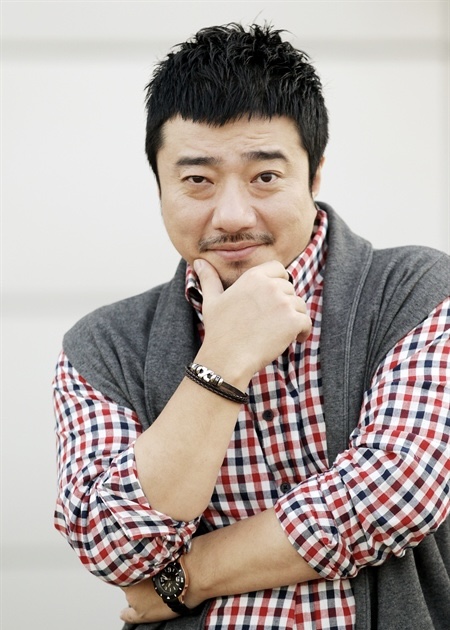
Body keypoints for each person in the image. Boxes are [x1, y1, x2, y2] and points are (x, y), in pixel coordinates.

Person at [53, 23, 450, 630]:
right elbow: (113, 546)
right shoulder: (103, 347)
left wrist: (187, 578)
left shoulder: (416, 292)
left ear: (314, 175)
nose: (233, 216)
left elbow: (398, 491)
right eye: (197, 180)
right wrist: (224, 361)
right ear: (159, 185)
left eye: (265, 176)